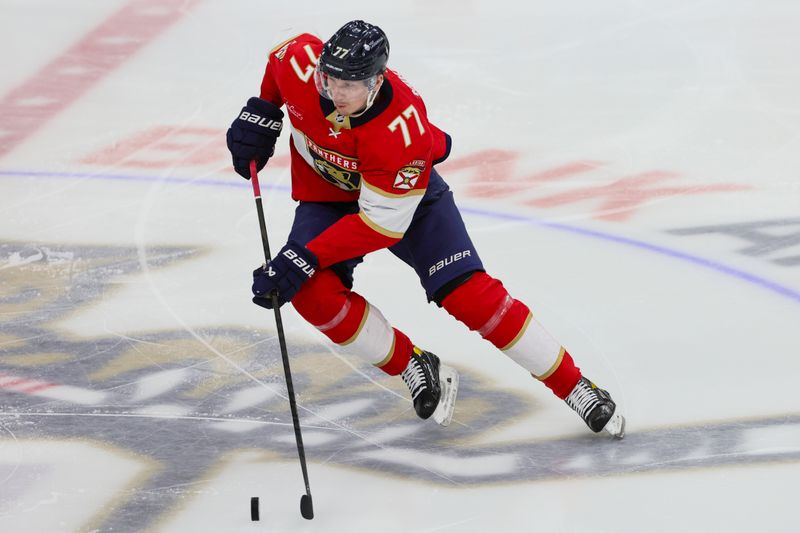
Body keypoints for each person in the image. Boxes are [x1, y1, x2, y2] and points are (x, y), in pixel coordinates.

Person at [226, 20, 625, 436]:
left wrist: (304, 256)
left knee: (469, 296)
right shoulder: (304, 63)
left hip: (404, 200)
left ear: (377, 81)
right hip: (327, 197)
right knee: (310, 294)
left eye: (349, 85)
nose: (334, 94)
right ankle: (413, 363)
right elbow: (279, 64)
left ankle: (574, 385)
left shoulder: (402, 130)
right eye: (329, 80)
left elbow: (380, 226)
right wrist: (264, 110)